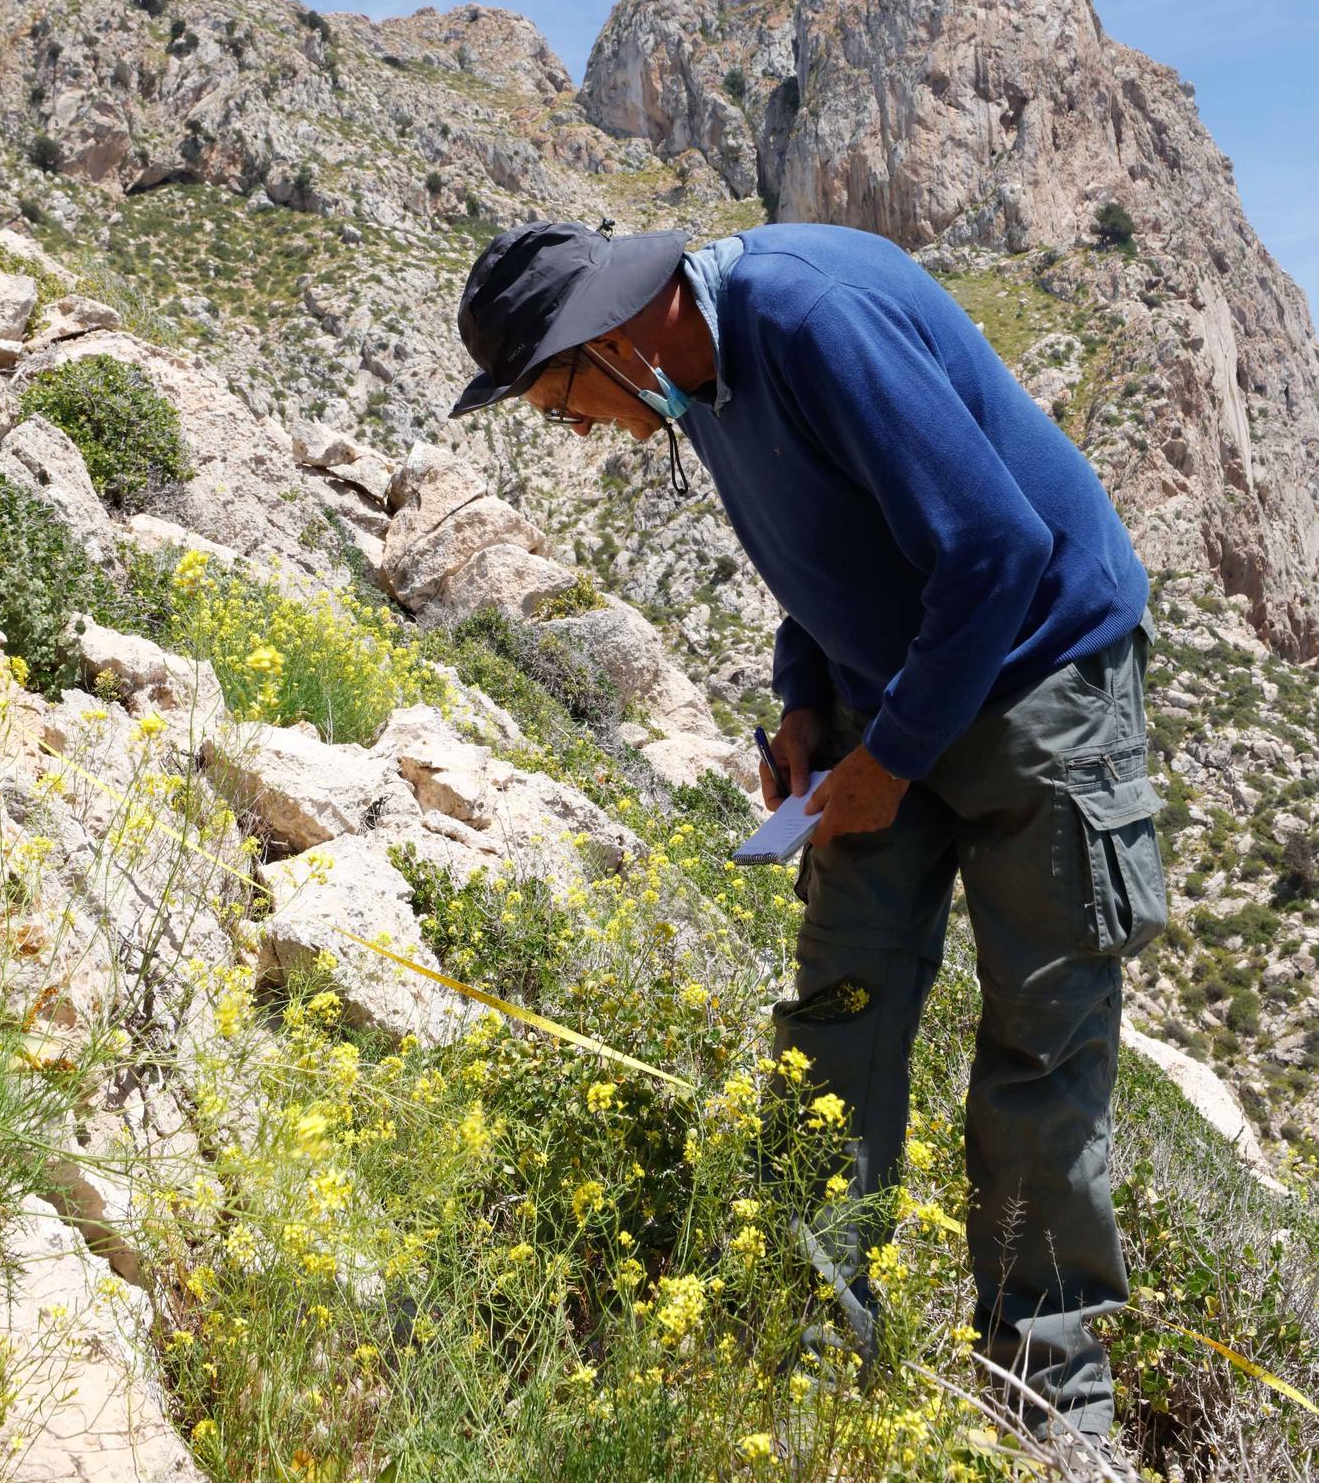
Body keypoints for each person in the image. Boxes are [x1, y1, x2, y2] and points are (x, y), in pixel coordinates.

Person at [451, 218, 1166, 1462]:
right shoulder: (701, 377)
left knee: (1040, 1048)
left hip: (1044, 679)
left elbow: (999, 550)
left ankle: (1051, 1401)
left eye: (557, 401)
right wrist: (804, 710)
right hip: (888, 690)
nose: (573, 432)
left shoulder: (807, 315)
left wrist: (888, 758)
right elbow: (821, 558)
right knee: (839, 1008)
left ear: (610, 341)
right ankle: (811, 1352)